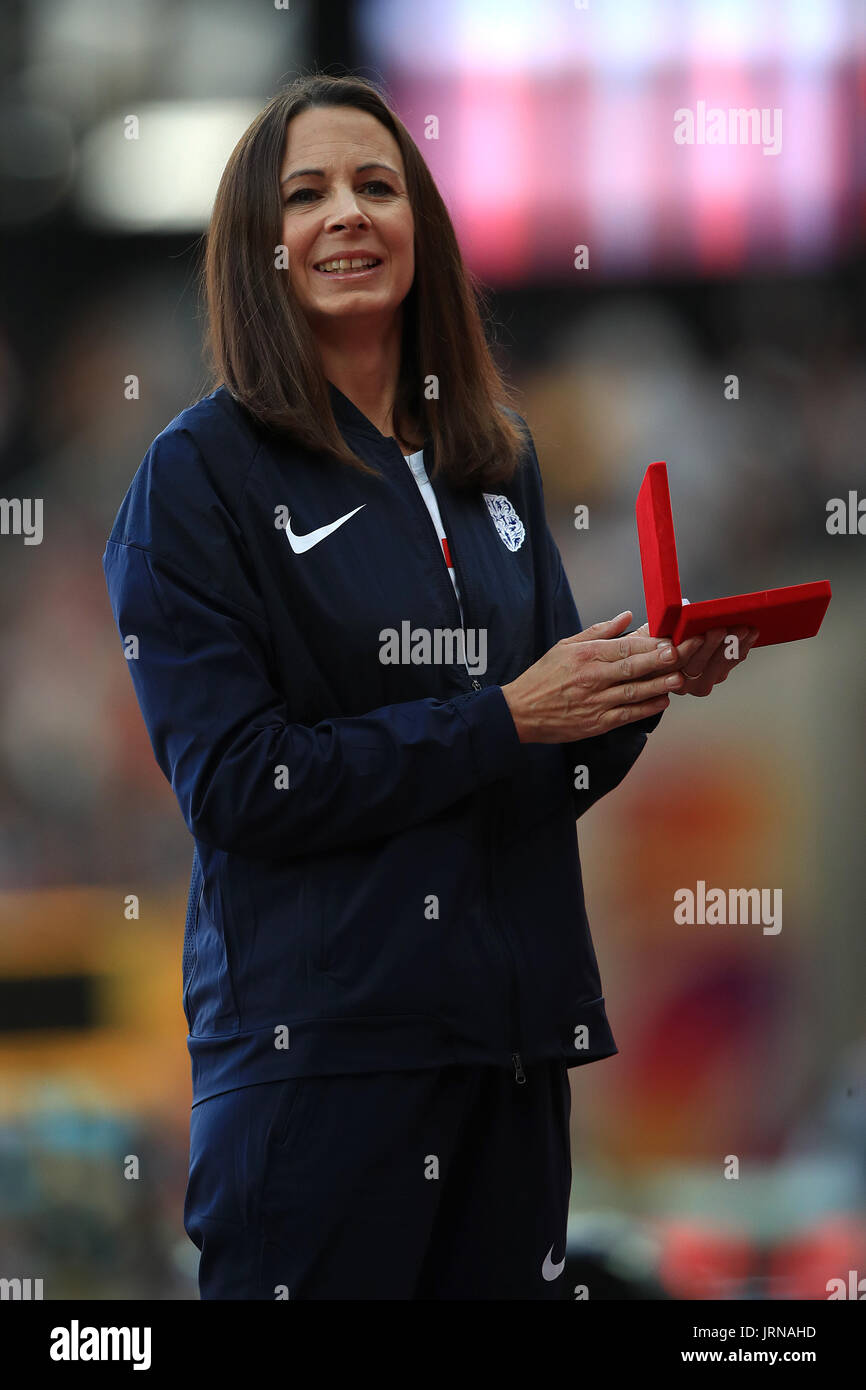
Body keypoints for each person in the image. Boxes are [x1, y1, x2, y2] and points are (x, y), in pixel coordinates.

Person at [102, 74, 757, 1300]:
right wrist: (505, 713)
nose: (346, 214)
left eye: (376, 185)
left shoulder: (490, 459)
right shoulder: (197, 478)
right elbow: (240, 783)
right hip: (324, 1069)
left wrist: (636, 687)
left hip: (512, 1058)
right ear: (260, 248)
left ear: (424, 228)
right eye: (305, 195)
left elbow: (537, 768)